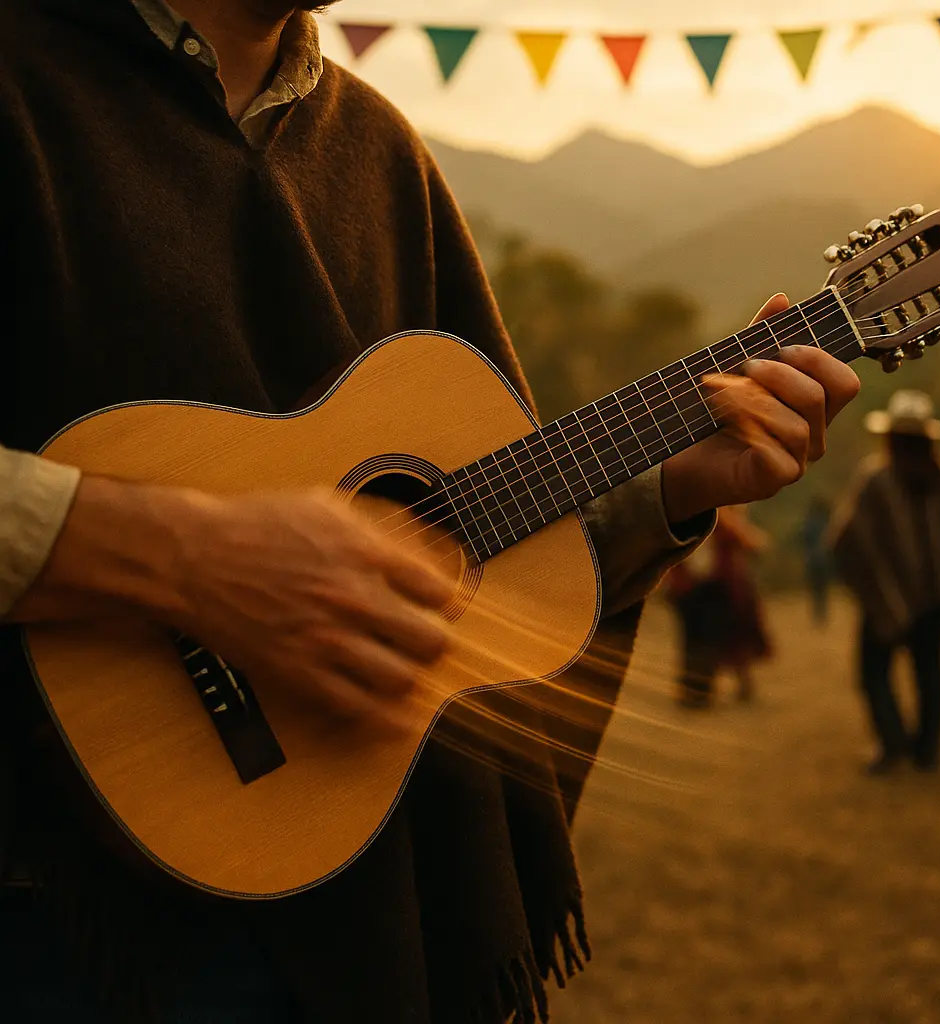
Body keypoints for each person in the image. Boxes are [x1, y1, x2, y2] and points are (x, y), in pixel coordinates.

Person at [0, 2, 861, 1021]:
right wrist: (181, 557)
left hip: (361, 877)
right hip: (57, 917)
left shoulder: (378, 152)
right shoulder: (25, 74)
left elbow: (463, 522)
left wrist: (669, 486)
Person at [830, 390, 940, 776]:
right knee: (930, 675)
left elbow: (845, 540)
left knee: (874, 673)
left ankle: (894, 743)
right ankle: (926, 751)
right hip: (934, 601)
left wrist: (872, 587)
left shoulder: (876, 477)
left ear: (891, 438)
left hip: (887, 600)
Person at [665, 506, 772, 707]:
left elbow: (750, 542)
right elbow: (752, 543)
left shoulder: (710, 515)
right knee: (705, 639)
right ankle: (697, 690)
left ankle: (697, 690)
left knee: (700, 640)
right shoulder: (715, 514)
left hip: (700, 587)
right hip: (700, 588)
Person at [800, 495, 833, 626]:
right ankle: (822, 615)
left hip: (812, 561)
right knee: (823, 590)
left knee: (815, 590)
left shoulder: (809, 523)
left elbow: (803, 539)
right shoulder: (827, 523)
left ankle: (817, 615)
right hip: (824, 561)